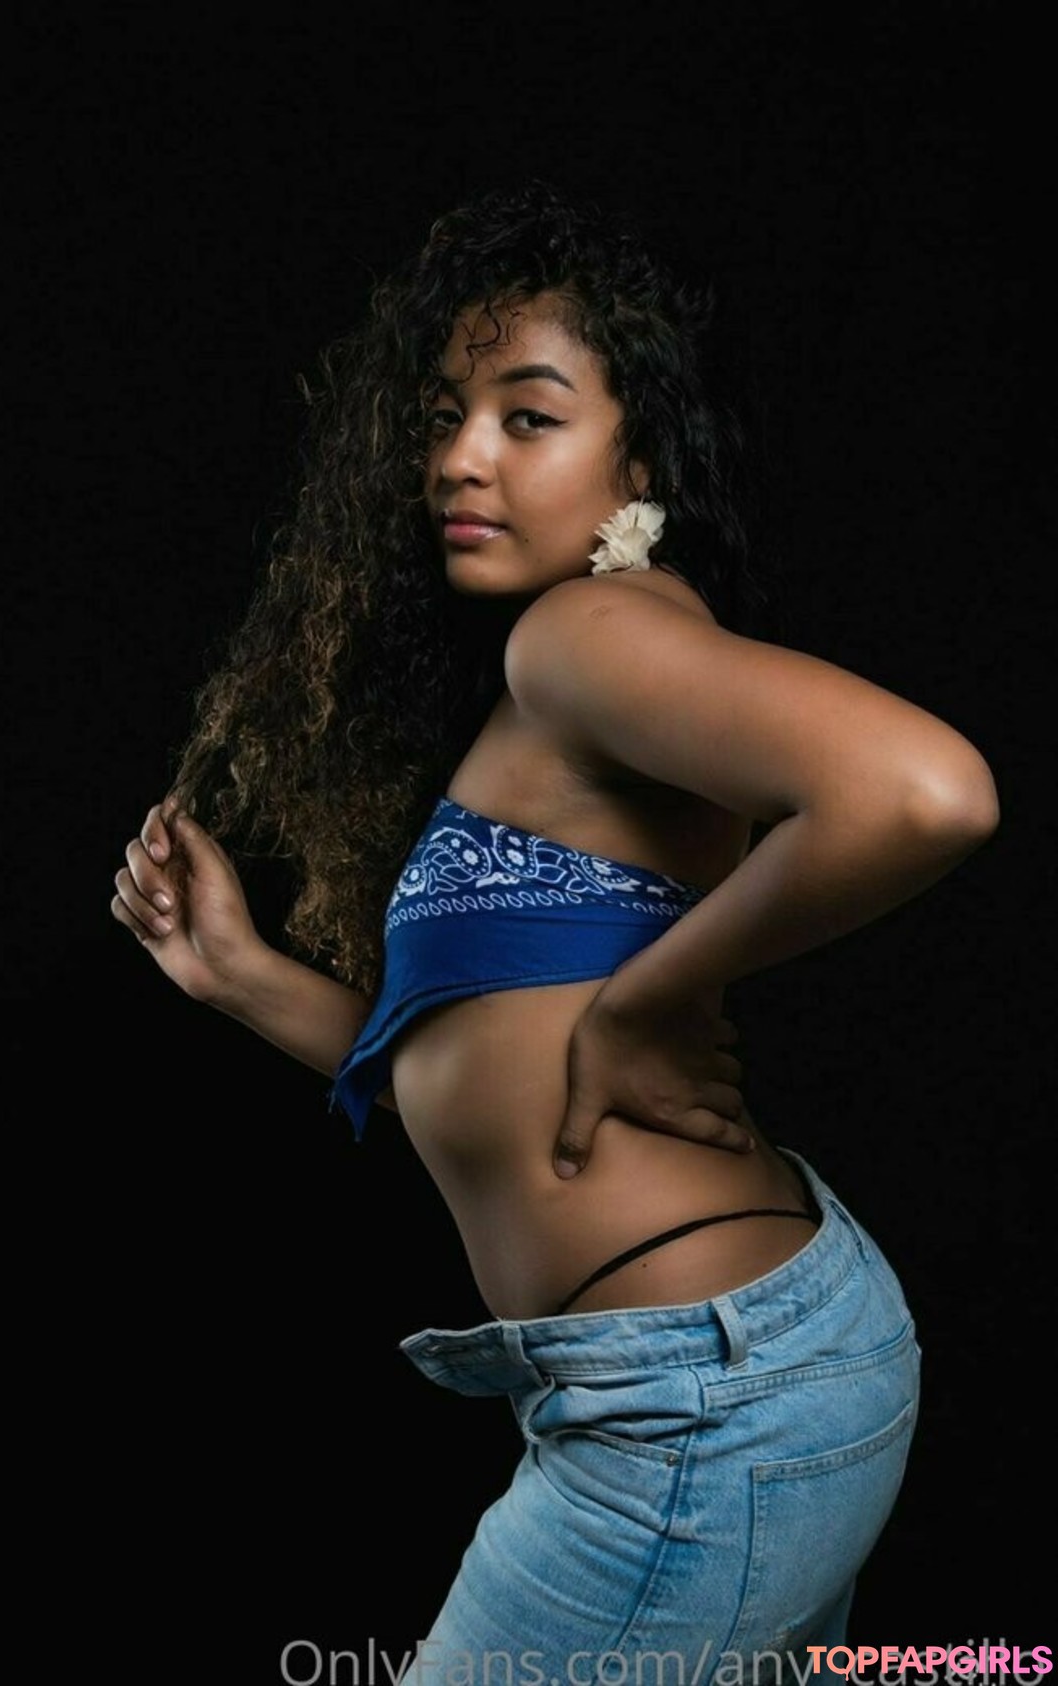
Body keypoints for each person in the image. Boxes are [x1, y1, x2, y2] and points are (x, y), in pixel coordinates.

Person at [112, 182, 999, 1676]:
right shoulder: (586, 667)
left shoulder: (585, 633)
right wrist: (246, 976)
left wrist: (651, 1002)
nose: (459, 457)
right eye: (444, 418)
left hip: (699, 1408)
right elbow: (496, 1071)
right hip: (719, 1370)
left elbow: (930, 792)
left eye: (528, 418)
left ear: (638, 459)